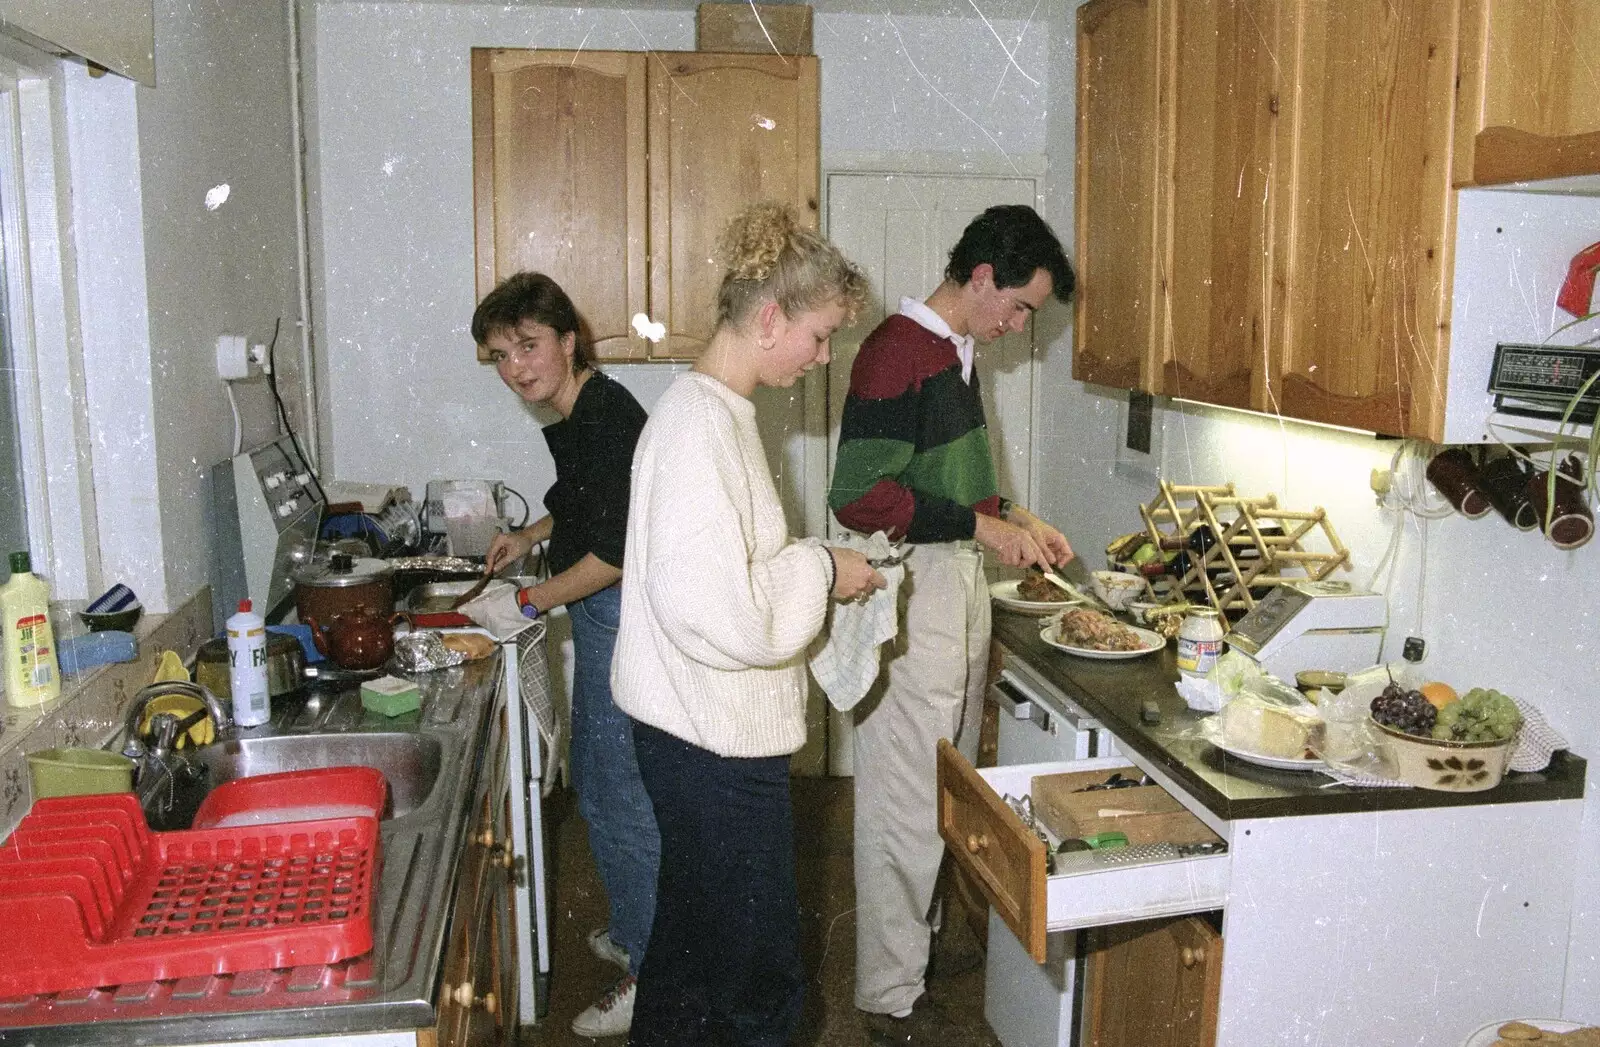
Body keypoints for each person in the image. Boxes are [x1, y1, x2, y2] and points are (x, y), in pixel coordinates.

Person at [611, 201, 882, 1047]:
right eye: (822, 333)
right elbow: (718, 610)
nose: (825, 355)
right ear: (770, 318)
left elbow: (724, 572)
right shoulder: (698, 429)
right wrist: (822, 569)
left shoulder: (714, 415)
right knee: (761, 985)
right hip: (713, 748)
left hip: (697, 735)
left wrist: (804, 559)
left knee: (689, 962)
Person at [828, 204, 1077, 1041]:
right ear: (980, 278)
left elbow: (954, 484)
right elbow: (859, 494)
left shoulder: (954, 354)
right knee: (904, 800)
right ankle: (888, 995)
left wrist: (1019, 516)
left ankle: (921, 940)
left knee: (942, 784)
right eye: (1018, 307)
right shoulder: (898, 351)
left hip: (954, 586)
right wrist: (982, 528)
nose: (1018, 327)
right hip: (913, 591)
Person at [473, 271, 654, 1039]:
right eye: (498, 355)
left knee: (617, 795)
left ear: (568, 339)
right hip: (603, 609)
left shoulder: (605, 415)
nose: (516, 366)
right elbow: (584, 500)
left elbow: (612, 550)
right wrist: (532, 536)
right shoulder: (585, 408)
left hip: (617, 607)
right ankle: (635, 928)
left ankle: (651, 968)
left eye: (528, 344)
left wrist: (525, 600)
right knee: (608, 784)